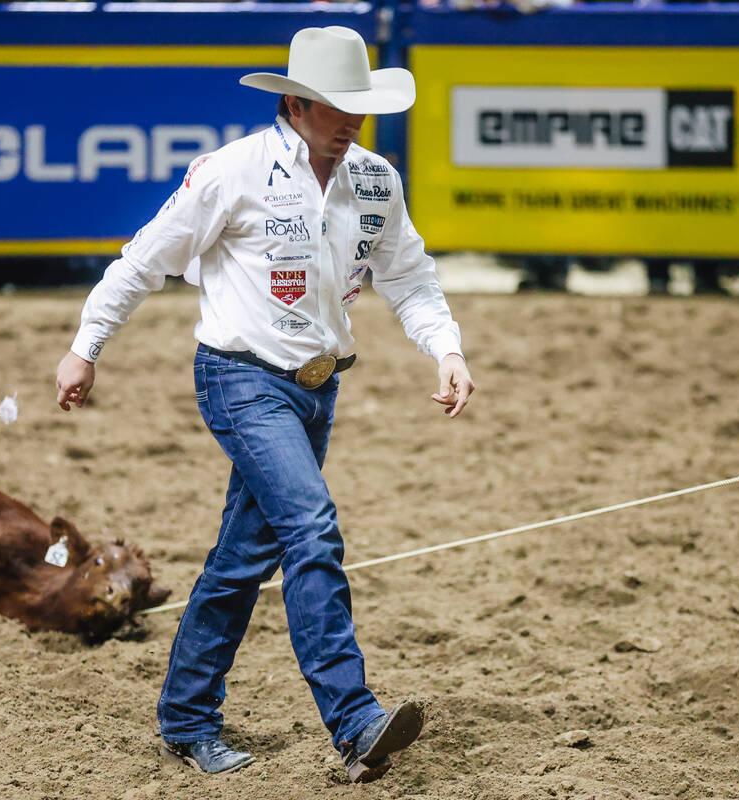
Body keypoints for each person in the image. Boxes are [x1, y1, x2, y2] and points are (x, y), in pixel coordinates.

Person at [55, 25, 474, 783]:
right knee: (312, 527)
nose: (350, 121)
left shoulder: (375, 180)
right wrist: (87, 344)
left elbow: (409, 276)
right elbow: (145, 259)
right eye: (334, 106)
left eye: (358, 108)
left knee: (244, 557)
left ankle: (185, 717)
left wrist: (445, 350)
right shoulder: (232, 172)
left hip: (316, 387)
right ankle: (354, 722)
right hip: (240, 378)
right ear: (294, 104)